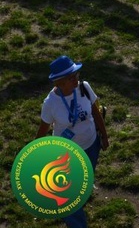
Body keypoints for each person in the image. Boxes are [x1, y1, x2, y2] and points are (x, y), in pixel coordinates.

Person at [36, 56, 109, 228]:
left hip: (91, 145)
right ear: (59, 83)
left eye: (76, 74)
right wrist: (36, 154)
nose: (76, 78)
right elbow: (43, 129)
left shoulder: (84, 87)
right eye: (71, 77)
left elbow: (96, 112)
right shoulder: (50, 103)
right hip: (66, 154)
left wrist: (104, 136)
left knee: (86, 179)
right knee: (69, 195)